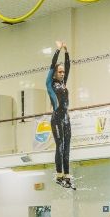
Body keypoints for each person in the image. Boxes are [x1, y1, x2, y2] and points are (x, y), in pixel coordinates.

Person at [46, 40, 73, 189]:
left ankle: (67, 176)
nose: (63, 74)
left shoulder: (63, 83)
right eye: (60, 71)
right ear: (55, 73)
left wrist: (67, 51)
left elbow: (68, 66)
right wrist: (58, 50)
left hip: (66, 119)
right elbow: (51, 66)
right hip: (56, 118)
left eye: (63, 72)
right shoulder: (50, 84)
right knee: (60, 145)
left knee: (67, 146)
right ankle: (59, 175)